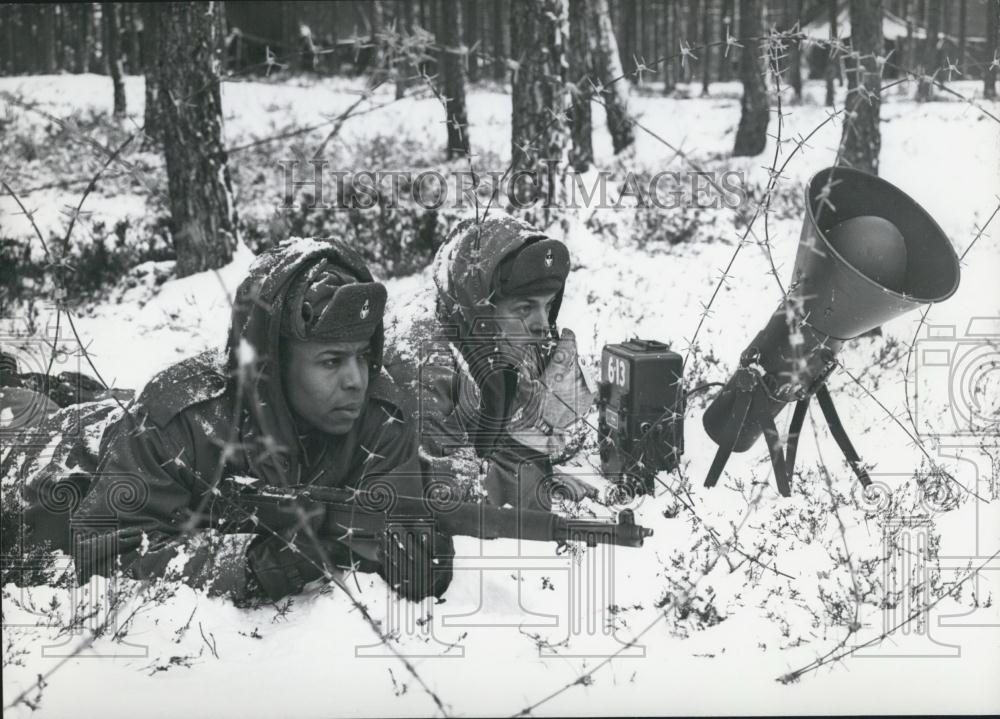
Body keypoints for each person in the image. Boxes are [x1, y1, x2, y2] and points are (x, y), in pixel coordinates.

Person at [22, 238, 453, 602]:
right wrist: (244, 566)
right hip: (50, 462)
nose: (356, 380)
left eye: (363, 356)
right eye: (331, 361)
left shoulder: (381, 417)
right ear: (273, 364)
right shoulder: (182, 415)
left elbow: (394, 516)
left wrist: (421, 560)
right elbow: (103, 553)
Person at [384, 213, 596, 512]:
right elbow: (442, 498)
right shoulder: (427, 366)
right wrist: (529, 478)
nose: (543, 324)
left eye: (548, 306)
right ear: (481, 303)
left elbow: (495, 432)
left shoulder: (489, 331)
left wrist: (544, 470)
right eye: (525, 308)